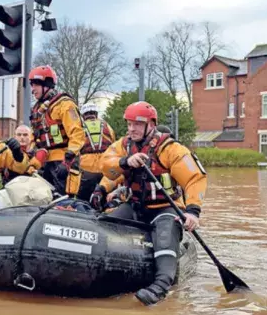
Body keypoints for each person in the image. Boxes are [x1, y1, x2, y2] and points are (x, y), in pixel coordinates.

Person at [100, 101, 207, 306]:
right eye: (129, 124)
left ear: (151, 124)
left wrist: (193, 212)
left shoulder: (171, 149)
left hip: (165, 208)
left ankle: (160, 286)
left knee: (165, 233)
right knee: (105, 223)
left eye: (137, 125)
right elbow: (105, 164)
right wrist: (125, 162)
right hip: (135, 206)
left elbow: (195, 179)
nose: (132, 129)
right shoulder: (123, 145)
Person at [27, 65, 85, 196]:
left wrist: (68, 160)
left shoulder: (64, 105)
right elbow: (35, 136)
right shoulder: (37, 109)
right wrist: (32, 159)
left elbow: (77, 134)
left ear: (46, 85)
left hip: (64, 161)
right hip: (46, 162)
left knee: (65, 200)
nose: (32, 89)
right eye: (32, 85)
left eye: (35, 85)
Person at [74, 102, 116, 203]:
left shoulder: (79, 127)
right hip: (105, 170)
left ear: (83, 115)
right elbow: (114, 144)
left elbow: (74, 146)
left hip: (86, 171)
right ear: (96, 114)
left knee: (83, 201)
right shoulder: (107, 126)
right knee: (105, 200)